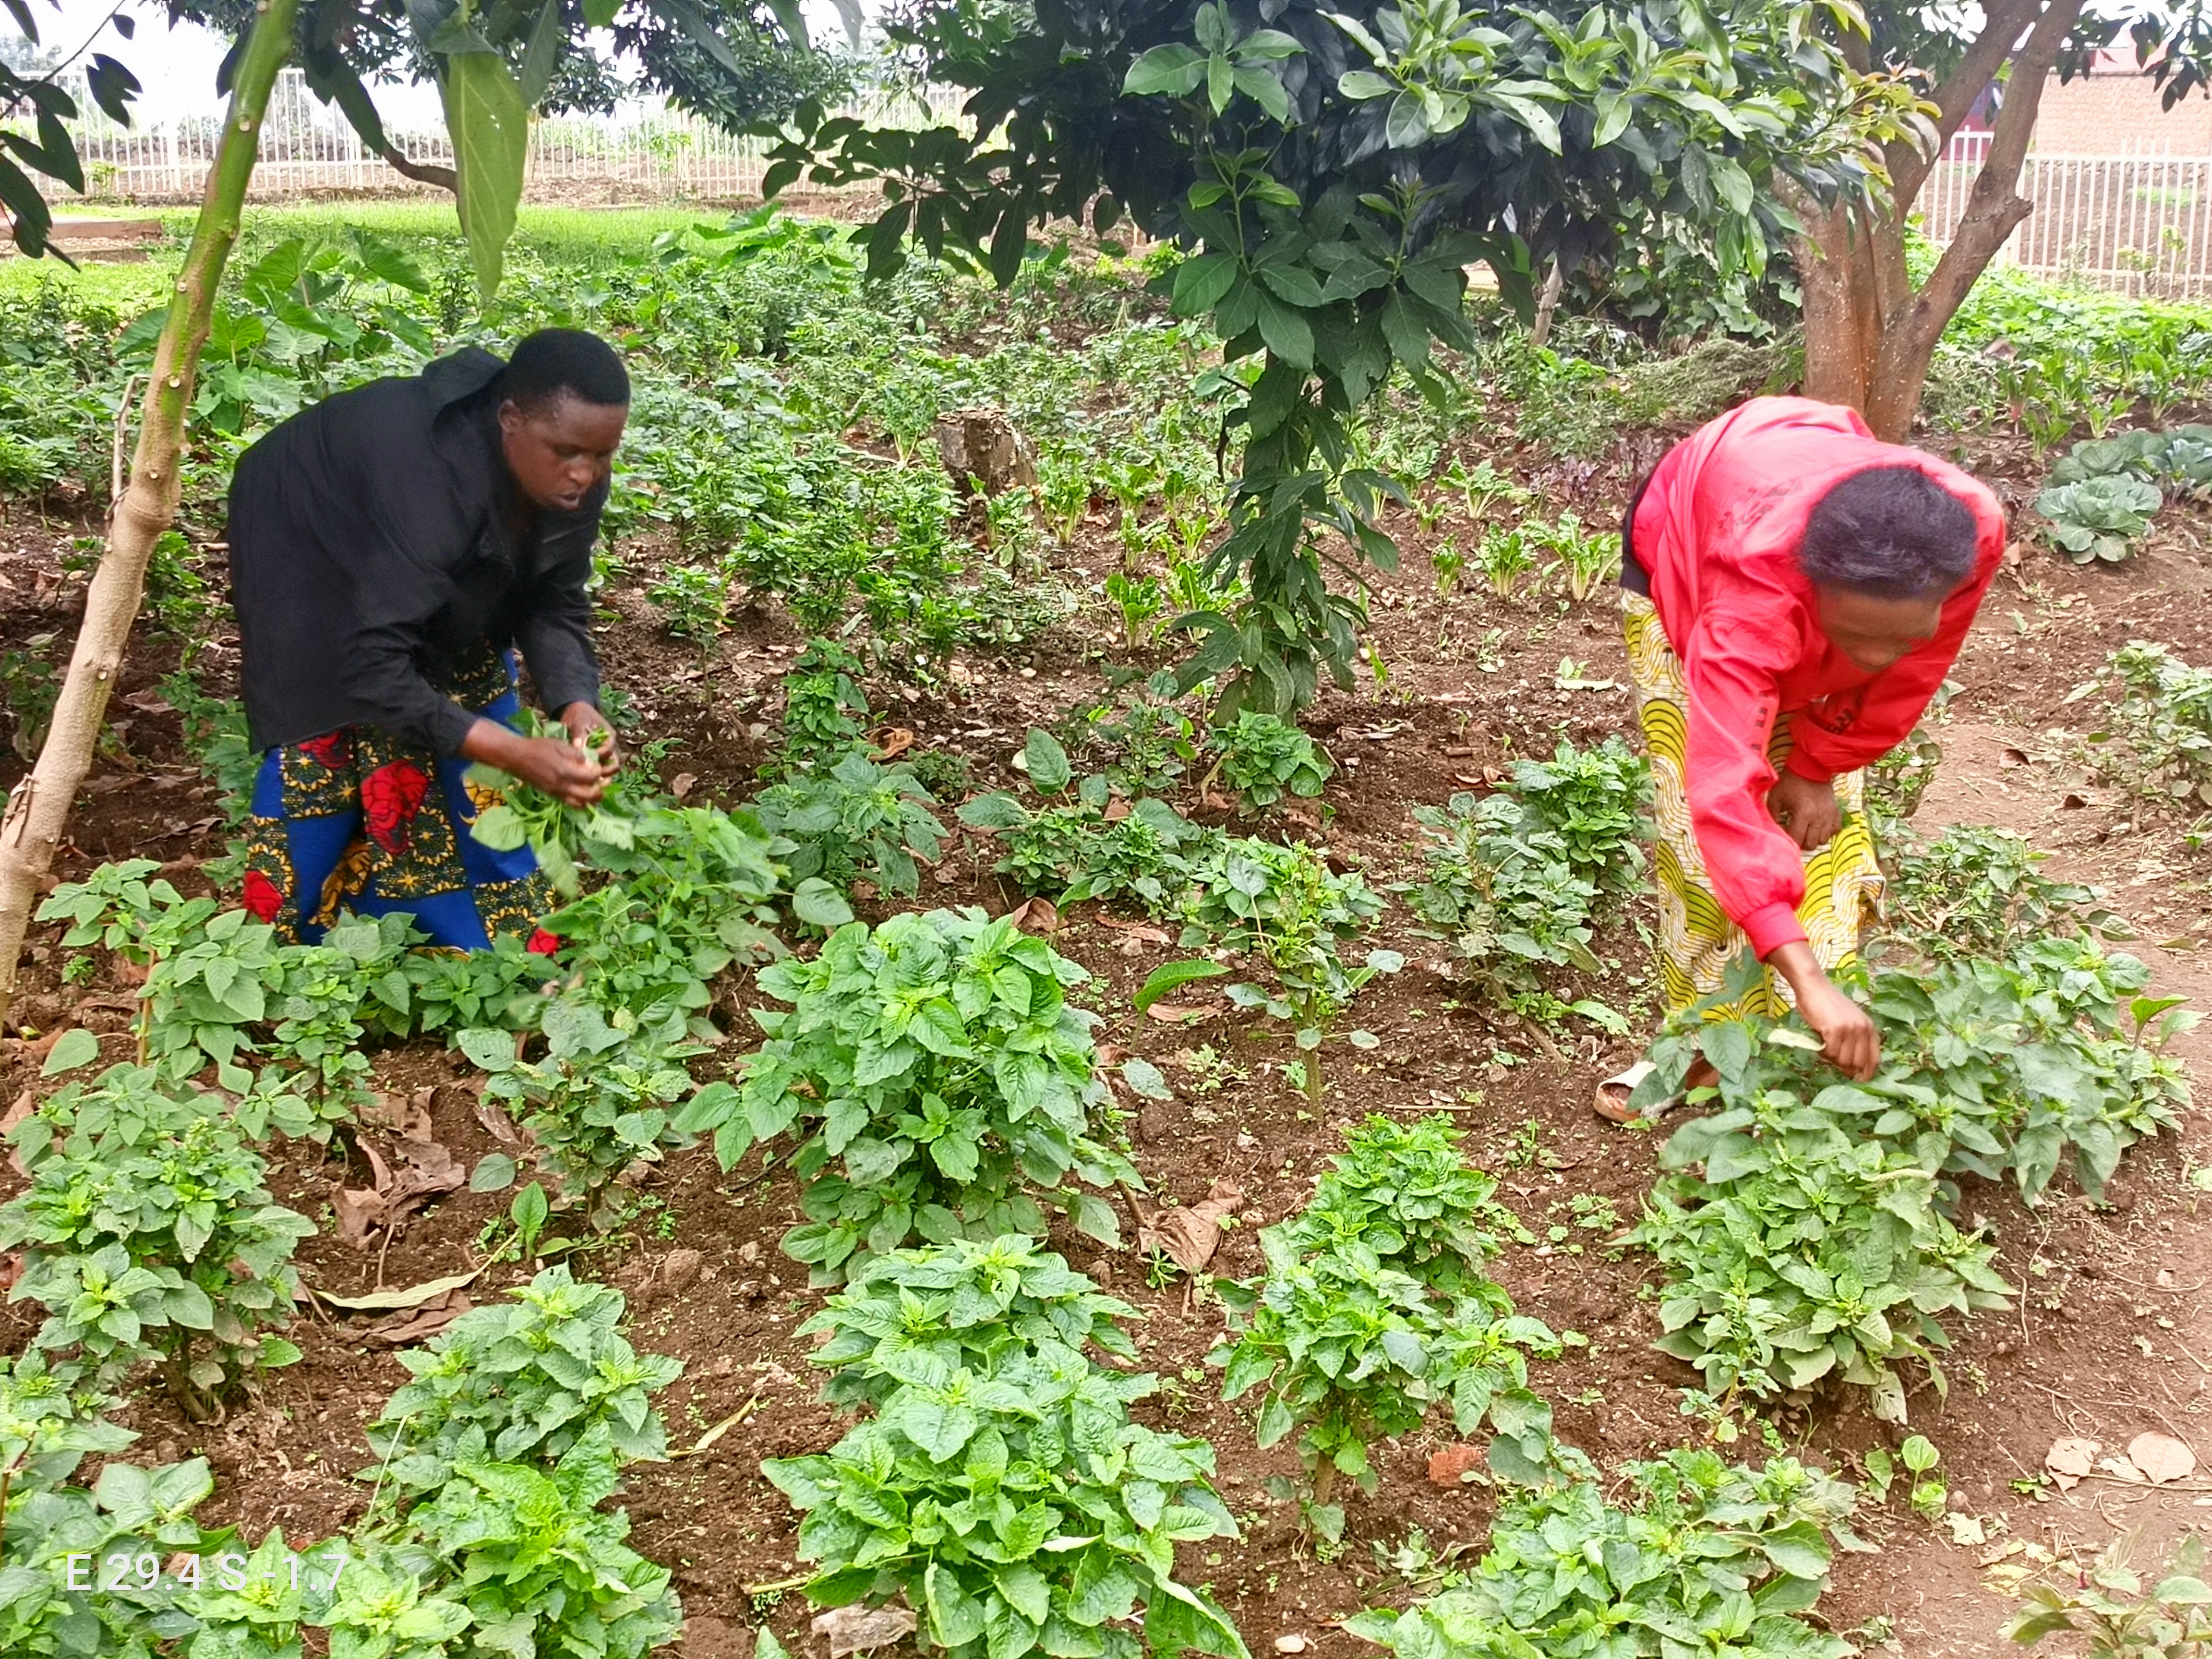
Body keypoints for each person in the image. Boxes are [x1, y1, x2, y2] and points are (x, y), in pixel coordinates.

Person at [1595, 396, 2006, 1119]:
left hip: (1808, 477)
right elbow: (1721, 795)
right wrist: (1806, 974)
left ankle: (1804, 1039)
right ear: (1809, 593)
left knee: (1818, 831)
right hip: (1693, 527)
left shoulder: (1966, 540)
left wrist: (1818, 764)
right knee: (1700, 847)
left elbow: (1914, 667)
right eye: (1854, 635)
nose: (1874, 658)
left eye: (1897, 635)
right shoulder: (1747, 604)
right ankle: (1702, 1048)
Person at [227, 328, 630, 950]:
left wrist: (575, 702)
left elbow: (552, 597)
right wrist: (512, 751)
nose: (585, 475)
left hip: (417, 545)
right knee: (331, 711)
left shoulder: (570, 463)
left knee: (466, 676)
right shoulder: (429, 485)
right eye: (568, 453)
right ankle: (289, 942)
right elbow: (369, 669)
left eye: (602, 456)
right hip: (302, 526)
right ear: (510, 421)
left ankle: (468, 938)